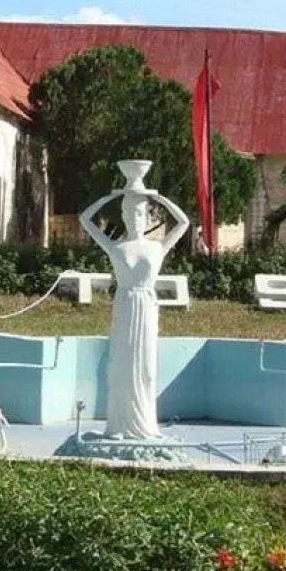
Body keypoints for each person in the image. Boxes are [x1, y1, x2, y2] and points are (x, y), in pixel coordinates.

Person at [79, 178, 189, 440]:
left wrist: (160, 199)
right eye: (128, 214)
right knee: (122, 366)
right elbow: (85, 219)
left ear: (148, 217)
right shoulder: (116, 246)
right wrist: (109, 198)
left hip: (146, 306)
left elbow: (183, 222)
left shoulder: (157, 247)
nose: (134, 219)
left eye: (139, 213)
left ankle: (145, 425)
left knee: (146, 369)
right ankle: (118, 425)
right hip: (125, 305)